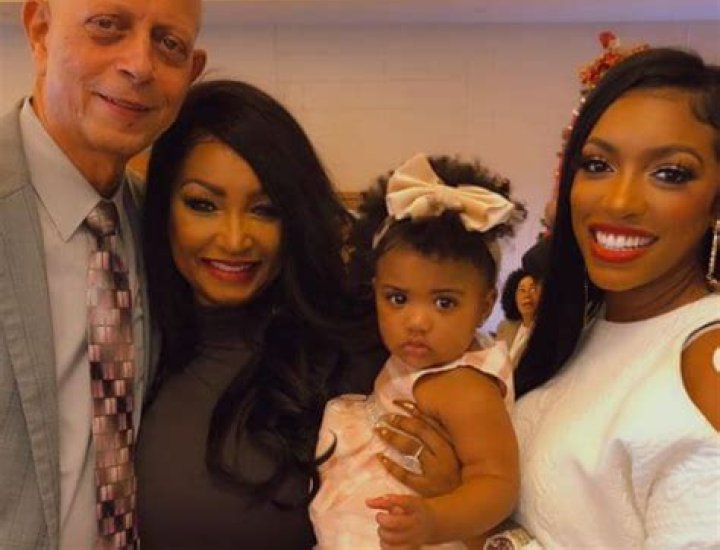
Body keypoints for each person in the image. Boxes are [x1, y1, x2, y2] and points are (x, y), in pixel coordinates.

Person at [135, 81, 456, 549]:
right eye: (203, 205)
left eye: (265, 210)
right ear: (162, 209)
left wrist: (455, 506)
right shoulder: (133, 344)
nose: (234, 239)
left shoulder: (369, 354)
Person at [0, 0, 206, 547]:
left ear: (191, 73)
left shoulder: (167, 231)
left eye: (168, 44)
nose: (138, 65)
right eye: (107, 26)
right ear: (40, 31)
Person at [509, 47, 720, 547]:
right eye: (598, 164)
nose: (619, 201)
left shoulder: (706, 357)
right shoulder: (577, 326)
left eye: (670, 173)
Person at [310, 153, 526, 549]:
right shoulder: (412, 361)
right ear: (374, 291)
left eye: (444, 303)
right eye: (397, 298)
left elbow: (498, 484)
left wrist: (434, 520)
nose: (417, 321)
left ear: (484, 306)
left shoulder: (465, 387)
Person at [496, 269, 542, 367]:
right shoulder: (504, 327)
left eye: (533, 289)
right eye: (522, 290)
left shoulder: (545, 331)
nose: (527, 295)